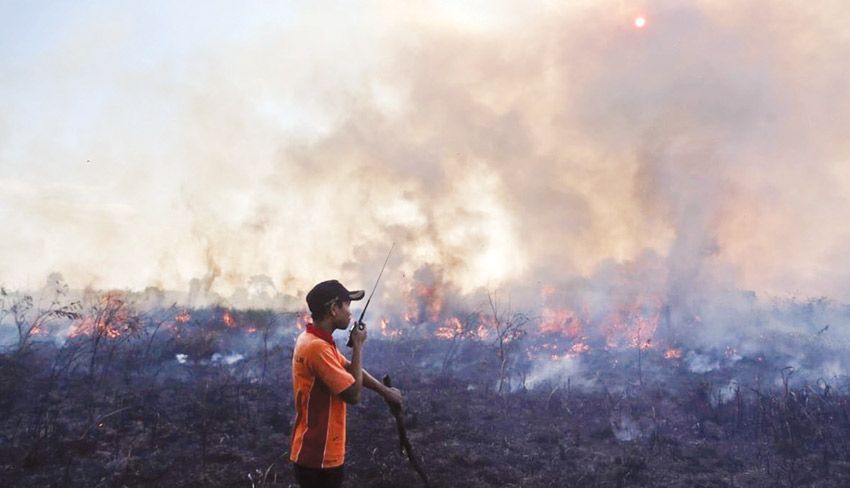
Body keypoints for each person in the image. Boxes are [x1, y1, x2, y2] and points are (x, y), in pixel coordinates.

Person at [290, 279, 403, 488]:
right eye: (346, 305)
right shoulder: (317, 348)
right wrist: (358, 345)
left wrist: (386, 392)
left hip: (314, 451)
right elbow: (353, 394)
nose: (350, 312)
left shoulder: (314, 340)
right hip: (319, 455)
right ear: (333, 309)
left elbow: (349, 368)